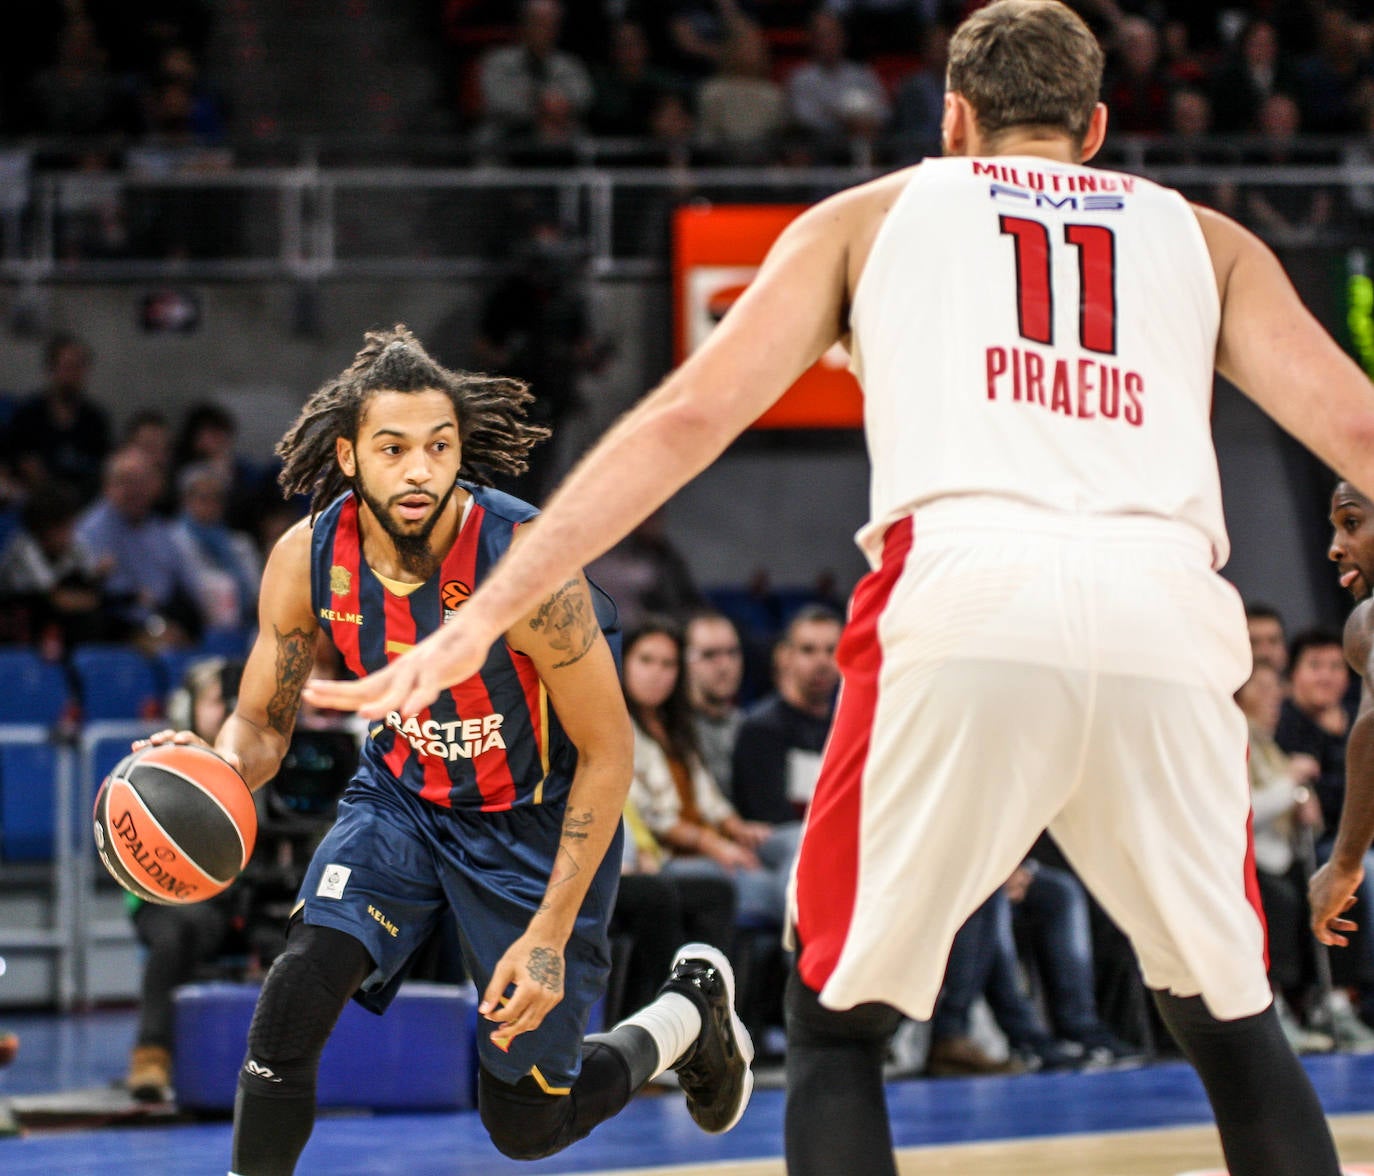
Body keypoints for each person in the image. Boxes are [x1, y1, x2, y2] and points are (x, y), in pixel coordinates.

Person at [302, 4, 1374, 1173]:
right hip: (1171, 608)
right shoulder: (1208, 241)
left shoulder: (872, 216)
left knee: (835, 1024)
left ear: (951, 118)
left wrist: (490, 610)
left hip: (962, 594)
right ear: (1099, 127)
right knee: (1230, 1019)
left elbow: (688, 419)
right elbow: (1360, 428)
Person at [135, 326, 753, 1175]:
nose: (420, 469)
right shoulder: (305, 559)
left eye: (440, 446)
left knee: (527, 1126)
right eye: (393, 449)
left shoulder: (528, 567)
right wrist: (213, 767)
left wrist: (546, 935)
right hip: (402, 801)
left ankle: (686, 1015)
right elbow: (261, 725)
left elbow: (608, 753)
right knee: (296, 992)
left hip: (533, 822)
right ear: (350, 458)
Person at [126, 656, 246, 1102]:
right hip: (165, 898)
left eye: (237, 702)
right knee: (177, 934)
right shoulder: (159, 763)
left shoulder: (266, 759)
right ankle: (151, 1053)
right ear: (188, 709)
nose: (229, 710)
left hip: (239, 899)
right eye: (218, 701)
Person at [730, 605, 841, 825]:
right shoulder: (760, 729)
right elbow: (769, 816)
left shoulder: (849, 729)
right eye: (808, 650)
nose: (822, 661)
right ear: (784, 656)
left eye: (831, 650)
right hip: (783, 842)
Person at [683, 609, 746, 797]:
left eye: (732, 652)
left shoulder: (749, 728)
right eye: (709, 655)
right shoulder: (671, 731)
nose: (724, 665)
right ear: (684, 661)